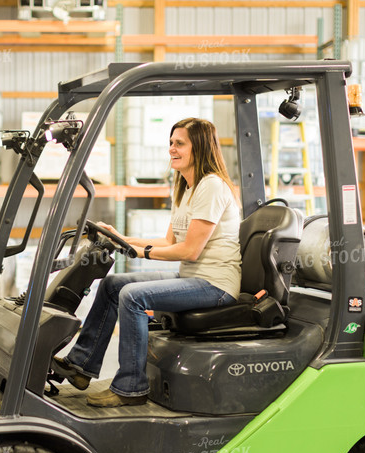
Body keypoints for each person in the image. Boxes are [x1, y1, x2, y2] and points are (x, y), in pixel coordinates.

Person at [52, 117, 242, 407]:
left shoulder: (212, 187)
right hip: (193, 278)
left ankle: (130, 387)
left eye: (180, 144)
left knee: (133, 296)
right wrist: (120, 238)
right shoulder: (187, 187)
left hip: (215, 285)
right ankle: (81, 365)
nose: (172, 150)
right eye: (171, 143)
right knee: (114, 284)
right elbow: (169, 242)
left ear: (200, 148)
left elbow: (189, 251)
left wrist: (140, 253)